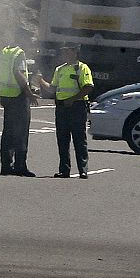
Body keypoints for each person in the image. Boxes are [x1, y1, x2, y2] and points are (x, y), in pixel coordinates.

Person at [35, 43, 93, 179]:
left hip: (77, 107)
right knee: (62, 139)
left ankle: (83, 170)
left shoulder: (81, 68)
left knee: (79, 139)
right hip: (61, 108)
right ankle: (64, 170)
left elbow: (88, 87)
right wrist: (41, 81)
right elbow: (53, 88)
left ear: (74, 52)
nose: (64, 54)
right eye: (64, 52)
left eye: (67, 52)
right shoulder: (60, 70)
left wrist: (73, 99)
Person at [0, 45, 39, 177]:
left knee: (8, 132)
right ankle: (20, 166)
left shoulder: (6, 51)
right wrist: (29, 92)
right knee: (21, 133)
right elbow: (18, 72)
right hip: (18, 96)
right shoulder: (19, 53)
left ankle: (6, 165)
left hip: (6, 95)